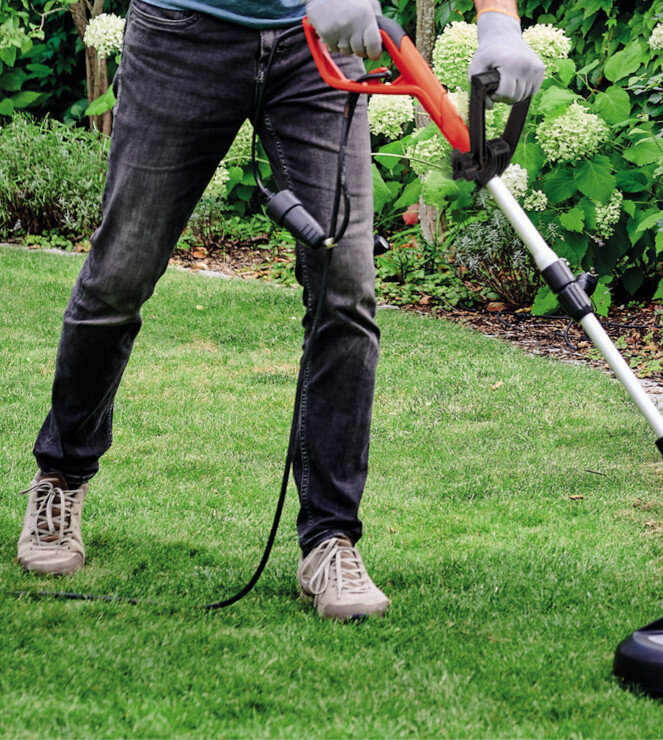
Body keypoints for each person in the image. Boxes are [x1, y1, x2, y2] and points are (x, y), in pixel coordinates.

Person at [15, 0, 544, 621]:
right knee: (119, 275)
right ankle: (61, 474)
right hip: (184, 34)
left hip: (318, 42)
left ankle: (329, 539)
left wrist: (500, 22)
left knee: (345, 292)